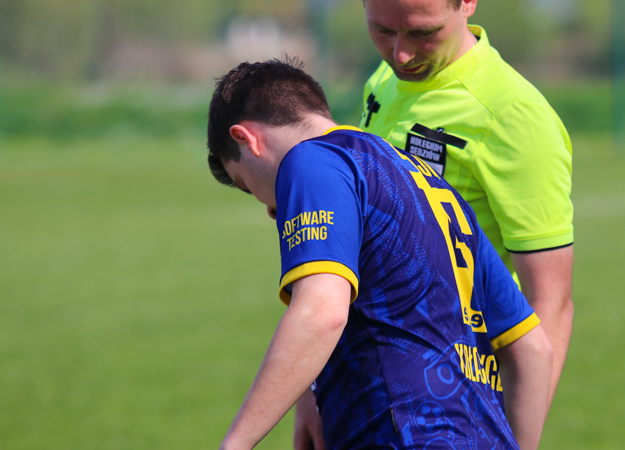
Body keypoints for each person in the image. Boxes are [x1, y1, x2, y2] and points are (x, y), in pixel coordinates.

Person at [208, 59, 553, 450]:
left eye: (245, 183)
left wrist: (234, 444)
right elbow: (533, 349)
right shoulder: (431, 185)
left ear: (247, 139)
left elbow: (321, 312)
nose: (270, 208)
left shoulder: (310, 161)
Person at [354, 0, 574, 399]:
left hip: (451, 390)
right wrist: (316, 393)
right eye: (383, 30)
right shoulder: (382, 83)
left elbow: (551, 303)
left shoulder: (513, 116)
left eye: (421, 32)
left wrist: (516, 435)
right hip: (368, 373)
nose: (401, 53)